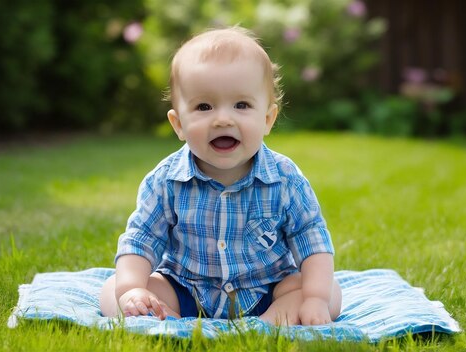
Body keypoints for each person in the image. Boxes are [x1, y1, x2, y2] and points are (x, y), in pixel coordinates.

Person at [99, 26, 341, 326]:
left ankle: (268, 322)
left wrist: (316, 297)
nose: (223, 119)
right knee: (113, 291)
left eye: (241, 105)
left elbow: (311, 238)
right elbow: (141, 239)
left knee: (328, 291)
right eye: (204, 106)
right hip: (186, 289)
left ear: (267, 119)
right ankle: (171, 321)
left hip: (267, 289)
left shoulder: (286, 180)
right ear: (179, 125)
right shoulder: (165, 181)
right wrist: (131, 288)